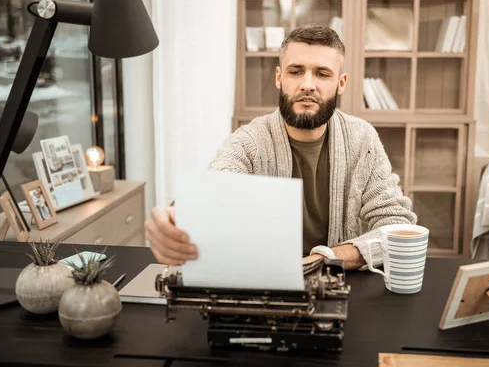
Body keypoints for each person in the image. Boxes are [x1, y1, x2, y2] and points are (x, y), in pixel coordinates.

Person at [145, 23, 417, 270]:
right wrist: (179, 217)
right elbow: (215, 188)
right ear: (279, 78)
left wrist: (326, 259)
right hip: (265, 286)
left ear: (340, 83)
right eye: (295, 71)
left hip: (340, 286)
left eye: (322, 74)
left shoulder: (362, 139)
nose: (307, 85)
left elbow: (397, 225)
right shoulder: (249, 141)